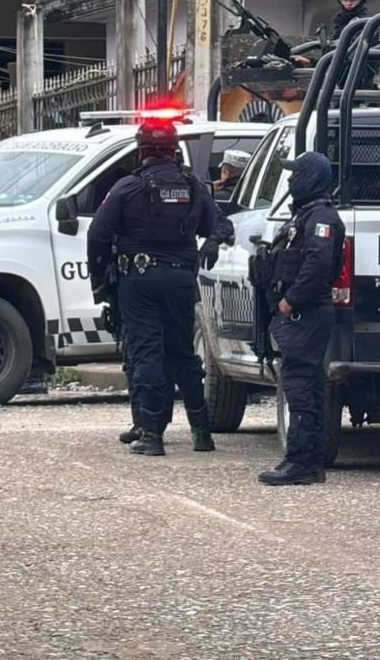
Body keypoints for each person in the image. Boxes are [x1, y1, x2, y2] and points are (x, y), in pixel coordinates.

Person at [88, 118, 234, 456]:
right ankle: (201, 433)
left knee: (147, 352)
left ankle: (152, 435)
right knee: (182, 352)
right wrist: (208, 246)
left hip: (139, 280)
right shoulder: (194, 186)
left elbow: (98, 234)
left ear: (142, 151)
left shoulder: (127, 187)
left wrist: (100, 282)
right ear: (173, 150)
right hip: (181, 278)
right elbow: (221, 224)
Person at [257, 151, 344, 486]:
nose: (291, 180)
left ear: (310, 178)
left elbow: (320, 265)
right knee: (307, 384)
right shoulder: (306, 215)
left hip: (305, 313)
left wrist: (290, 301)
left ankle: (300, 462)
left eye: (296, 174)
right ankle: (310, 461)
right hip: (300, 313)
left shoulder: (320, 218)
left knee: (299, 386)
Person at [330, 0, 378, 91]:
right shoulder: (340, 21)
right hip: (338, 78)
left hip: (357, 80)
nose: (348, 2)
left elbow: (352, 52)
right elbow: (333, 51)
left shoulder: (365, 21)